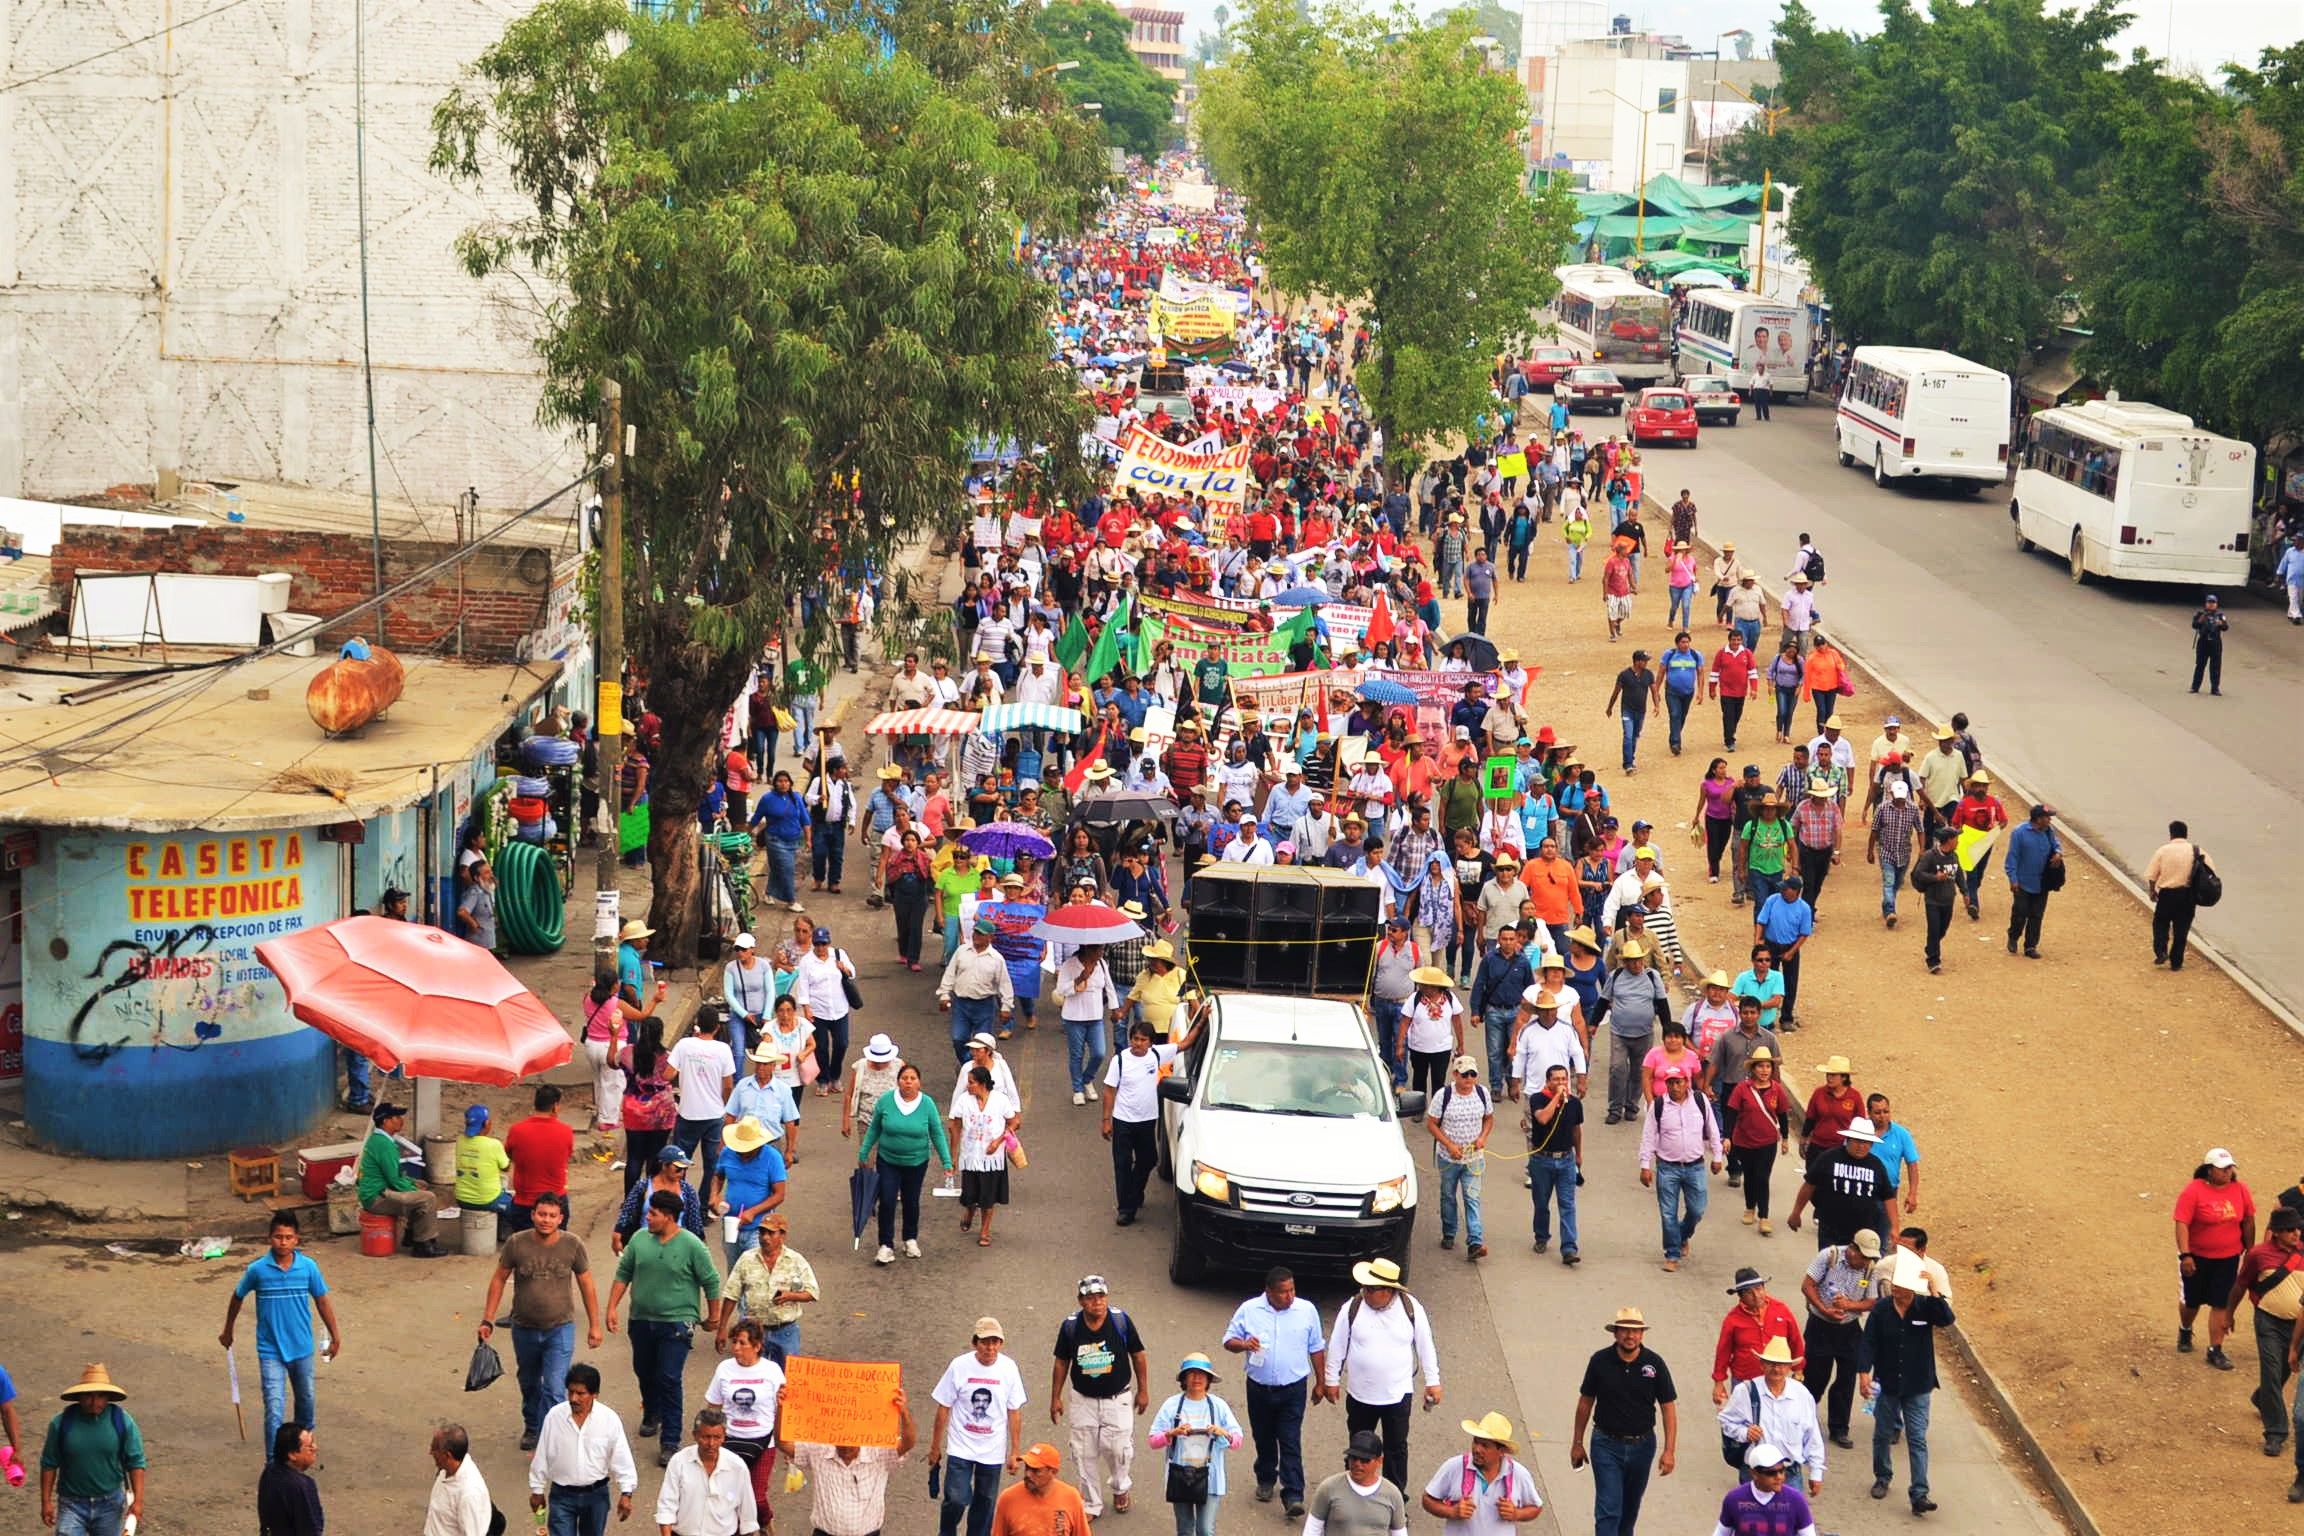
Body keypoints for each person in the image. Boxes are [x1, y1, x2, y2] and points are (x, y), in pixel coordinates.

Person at [478, 1191, 601, 1451]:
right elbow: (499, 1279)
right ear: (533, 1215)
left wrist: (595, 1325)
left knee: (555, 1387)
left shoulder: (572, 1245)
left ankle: (550, 1436)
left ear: (560, 1219)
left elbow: (587, 1284)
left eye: (552, 1216)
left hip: (560, 1328)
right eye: (542, 1214)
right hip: (524, 1328)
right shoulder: (516, 1243)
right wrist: (487, 1319)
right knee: (529, 1382)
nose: (546, 1220)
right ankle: (532, 1426)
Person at [606, 1189, 721, 1467]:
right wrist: (611, 1307)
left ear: (669, 1217)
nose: (648, 1217)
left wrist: (714, 1317)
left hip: (677, 1323)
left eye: (653, 1214)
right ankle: (652, 1411)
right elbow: (623, 1273)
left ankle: (670, 1440)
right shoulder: (639, 1239)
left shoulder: (692, 1245)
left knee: (669, 1378)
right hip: (641, 1319)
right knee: (644, 1371)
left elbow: (711, 1280)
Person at [221, 1213, 342, 1456]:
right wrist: (228, 1330)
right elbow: (237, 1297)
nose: (283, 1242)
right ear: (269, 1238)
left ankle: (303, 1454)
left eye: (288, 1237)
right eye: (278, 1236)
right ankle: (273, 1462)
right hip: (270, 1351)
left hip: (302, 1348)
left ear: (297, 1239)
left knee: (306, 1404)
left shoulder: (308, 1267)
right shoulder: (257, 1270)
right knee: (274, 1409)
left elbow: (322, 1301)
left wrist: (335, 1336)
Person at [1322, 1257, 1441, 1495]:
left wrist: (1433, 1381)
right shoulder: (1353, 1307)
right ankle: (1354, 1493)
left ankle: (1394, 1498)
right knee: (1358, 1448)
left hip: (1397, 1395)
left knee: (1396, 1449)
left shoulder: (1411, 1308)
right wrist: (1331, 1380)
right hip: (1360, 1394)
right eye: (1364, 1287)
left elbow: (1425, 1345)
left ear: (1388, 1291)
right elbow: (1337, 1344)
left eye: (1371, 1289)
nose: (1365, 1292)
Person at [1223, 1266, 1327, 1519]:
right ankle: (1266, 1477)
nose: (1289, 1296)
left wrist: (1321, 1382)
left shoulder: (1306, 1310)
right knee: (1264, 1436)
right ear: (1268, 1291)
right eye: (1283, 1292)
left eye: (1292, 1290)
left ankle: (1293, 1494)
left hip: (1293, 1388)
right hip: (1259, 1388)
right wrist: (1244, 1344)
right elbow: (1228, 1341)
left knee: (1290, 1439)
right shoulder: (1249, 1310)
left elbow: (1316, 1347)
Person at [1860, 1252, 1954, 1514]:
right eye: (1895, 1285)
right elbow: (1869, 1342)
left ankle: (1920, 1492)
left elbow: (1947, 1319)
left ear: (1913, 1288)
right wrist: (1863, 1373)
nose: (1897, 1290)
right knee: (1882, 1434)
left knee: (1917, 1438)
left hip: (1918, 1385)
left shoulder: (1926, 1306)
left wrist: (1934, 1290)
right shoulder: (1882, 1309)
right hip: (1887, 1383)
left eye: (1902, 1287)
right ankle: (1882, 1476)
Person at [1050, 1274, 1150, 1520]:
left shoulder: (1120, 1321)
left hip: (1118, 1399)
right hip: (1083, 1400)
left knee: (1119, 1450)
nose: (1097, 1302)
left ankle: (1120, 1487)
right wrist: (1055, 1397)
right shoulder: (1071, 1327)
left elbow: (1138, 1355)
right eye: (1090, 1298)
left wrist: (1143, 1390)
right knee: (1083, 1453)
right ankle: (1091, 1503)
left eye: (1101, 1296)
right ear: (1080, 1301)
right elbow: (1062, 1362)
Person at [1571, 1309, 1677, 1536]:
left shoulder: (1654, 1364)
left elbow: (1668, 1407)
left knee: (1629, 1511)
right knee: (1608, 1509)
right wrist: (1577, 1443)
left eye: (1635, 1331)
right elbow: (1585, 1403)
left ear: (1642, 1334)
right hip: (1605, 1445)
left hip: (1643, 1447)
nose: (1630, 1336)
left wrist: (1669, 1450)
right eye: (1625, 1330)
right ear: (1615, 1333)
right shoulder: (1599, 1361)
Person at [931, 1317, 1030, 1536]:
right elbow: (944, 1407)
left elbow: (1014, 1411)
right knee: (956, 1499)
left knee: (985, 1504)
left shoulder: (1008, 1368)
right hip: (961, 1446)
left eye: (995, 1342)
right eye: (985, 1342)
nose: (990, 1348)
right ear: (975, 1343)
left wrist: (1015, 1451)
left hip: (992, 1450)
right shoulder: (959, 1366)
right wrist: (935, 1448)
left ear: (1001, 1344)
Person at [781, 1385, 916, 1536]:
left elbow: (908, 1443)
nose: (846, 1449)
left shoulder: (878, 1453)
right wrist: (782, 1408)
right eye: (841, 1445)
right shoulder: (819, 1450)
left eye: (851, 1446)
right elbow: (784, 1444)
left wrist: (903, 1412)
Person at [1105, 1011, 1199, 1226]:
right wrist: (1106, 1120)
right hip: (1123, 1121)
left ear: (1151, 1042)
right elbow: (1109, 1091)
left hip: (1147, 1121)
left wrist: (1202, 1020)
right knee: (1122, 1164)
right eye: (1135, 1039)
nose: (1138, 1043)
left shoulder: (1157, 1054)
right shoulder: (1120, 1061)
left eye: (1143, 1040)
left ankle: (1135, 1191)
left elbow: (1185, 1043)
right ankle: (1126, 1209)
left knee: (1148, 1160)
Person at [526, 1362, 638, 1536]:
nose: (573, 1398)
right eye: (570, 1392)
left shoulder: (609, 1420)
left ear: (595, 1395)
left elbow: (621, 1458)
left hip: (596, 1497)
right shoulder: (554, 1417)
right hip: (562, 1496)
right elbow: (543, 1455)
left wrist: (626, 1493)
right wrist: (537, 1490)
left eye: (580, 1393)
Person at [859, 1062, 955, 1265]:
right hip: (888, 1160)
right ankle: (886, 1245)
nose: (908, 1082)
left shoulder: (927, 1104)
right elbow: (874, 1128)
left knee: (911, 1200)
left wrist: (947, 1161)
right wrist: (864, 1152)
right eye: (904, 1078)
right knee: (887, 1200)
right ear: (898, 1081)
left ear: (919, 1083)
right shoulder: (886, 1101)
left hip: (916, 1162)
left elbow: (937, 1133)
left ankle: (910, 1239)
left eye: (913, 1079)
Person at [38, 1365, 146, 1536]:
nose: (95, 1402)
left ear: (108, 1397)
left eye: (101, 1396)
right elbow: (49, 1463)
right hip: (71, 1504)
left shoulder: (122, 1421)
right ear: (79, 1397)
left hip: (110, 1504)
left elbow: (136, 1462)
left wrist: (138, 1501)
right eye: (89, 1395)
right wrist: (46, 1502)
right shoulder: (61, 1423)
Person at [2176, 1147, 2257, 1370]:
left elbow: (2248, 1220)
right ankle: (2185, 1328)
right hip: (2197, 1257)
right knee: (2192, 1301)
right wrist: (2185, 1255)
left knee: (2221, 1301)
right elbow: (2182, 1224)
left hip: (2228, 1257)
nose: (2228, 1172)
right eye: (2223, 1168)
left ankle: (2215, 1349)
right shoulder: (2193, 1191)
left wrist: (2250, 1250)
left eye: (2230, 1167)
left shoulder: (2240, 1190)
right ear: (2209, 1170)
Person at [1799, 1230, 1881, 1450]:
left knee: (1846, 1380)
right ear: (1852, 1249)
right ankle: (1802, 1423)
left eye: (1870, 1257)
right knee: (1815, 1378)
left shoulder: (1871, 1269)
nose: (1866, 1261)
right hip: (1820, 1326)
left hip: (1849, 1330)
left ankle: (1839, 1428)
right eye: (1863, 1256)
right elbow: (1807, 1285)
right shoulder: (1829, 1256)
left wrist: (1849, 1306)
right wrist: (1824, 1309)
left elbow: (1872, 1302)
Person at [2232, 1210, 2304, 1460]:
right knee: (2272, 1371)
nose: (2296, 1233)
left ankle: (2261, 1397)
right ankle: (2276, 1432)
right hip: (2268, 1321)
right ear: (2276, 1232)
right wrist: (2228, 1314)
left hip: (2298, 1325)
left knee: (2284, 1370)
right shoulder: (2258, 1255)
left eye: (2298, 1229)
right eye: (2290, 1229)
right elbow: (2241, 1284)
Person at [1149, 1353, 1245, 1536]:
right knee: (1185, 1530)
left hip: (1211, 1477)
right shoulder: (1171, 1405)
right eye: (1191, 1373)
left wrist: (1223, 1433)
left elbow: (1237, 1441)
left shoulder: (1219, 1406)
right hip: (1180, 1476)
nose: (1197, 1378)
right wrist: (1172, 1433)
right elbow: (1153, 1440)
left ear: (1208, 1379)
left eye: (1201, 1374)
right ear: (1184, 1378)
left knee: (1205, 1530)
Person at [1716, 1338, 1825, 1498]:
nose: (1776, 1369)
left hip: (1790, 1473)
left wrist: (1816, 1472)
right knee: (1753, 1514)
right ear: (1762, 1365)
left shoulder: (1801, 1395)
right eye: (1771, 1364)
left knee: (1791, 1514)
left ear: (1789, 1367)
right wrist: (1744, 1433)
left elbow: (1812, 1434)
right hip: (1755, 1473)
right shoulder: (1745, 1391)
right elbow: (1726, 1421)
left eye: (1781, 1365)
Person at [1638, 1069, 1723, 1272]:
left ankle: (1682, 1235)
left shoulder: (1700, 1101)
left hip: (1695, 1166)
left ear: (1687, 1082)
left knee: (1697, 1210)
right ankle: (1672, 1253)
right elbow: (1648, 1136)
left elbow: (1712, 1128)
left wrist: (1717, 1156)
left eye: (1679, 1082)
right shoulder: (1659, 1106)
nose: (1675, 1087)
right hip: (1668, 1168)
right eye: (1671, 1083)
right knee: (1668, 1213)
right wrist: (1645, 1165)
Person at [705, 1318, 785, 1520]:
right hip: (730, 1442)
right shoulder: (724, 1368)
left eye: (742, 1343)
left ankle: (765, 1524)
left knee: (757, 1499)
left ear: (757, 1346)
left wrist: (787, 1443)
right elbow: (713, 1406)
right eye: (734, 1342)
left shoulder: (772, 1371)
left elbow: (784, 1407)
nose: (736, 1348)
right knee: (730, 1498)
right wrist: (708, 1439)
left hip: (763, 1443)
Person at [716, 1212, 816, 1362]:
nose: (765, 1237)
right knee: (752, 1373)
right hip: (754, 1332)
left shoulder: (795, 1260)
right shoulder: (747, 1259)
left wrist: (791, 1296)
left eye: (770, 1233)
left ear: (782, 1235)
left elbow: (813, 1292)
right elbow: (731, 1294)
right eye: (762, 1232)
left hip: (785, 1332)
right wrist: (722, 1328)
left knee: (785, 1374)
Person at [1419, 1411, 1542, 1532]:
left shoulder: (1519, 1474)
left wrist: (1516, 1514)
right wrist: (1452, 1512)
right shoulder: (1454, 1466)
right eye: (1476, 1442)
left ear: (1501, 1451)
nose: (1477, 1449)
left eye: (1485, 1446)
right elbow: (1427, 1500)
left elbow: (1536, 1508)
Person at [1786, 1116, 1890, 1251]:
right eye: (1857, 1141)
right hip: (1831, 1231)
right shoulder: (1829, 1158)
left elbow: (1888, 1196)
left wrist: (1894, 1228)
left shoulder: (1876, 1165)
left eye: (1866, 1142)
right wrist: (1796, 1213)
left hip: (1862, 1235)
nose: (1861, 1146)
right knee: (1830, 1263)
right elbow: (1809, 1185)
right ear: (1848, 1139)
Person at [356, 1101, 444, 1257]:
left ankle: (411, 1235)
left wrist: (413, 1183)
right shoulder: (384, 1145)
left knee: (420, 1188)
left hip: (377, 1192)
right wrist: (413, 1189)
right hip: (377, 1197)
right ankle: (422, 1245)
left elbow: (395, 1175)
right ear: (385, 1121)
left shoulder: (379, 1140)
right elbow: (394, 1180)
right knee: (427, 1198)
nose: (401, 1120)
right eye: (396, 1117)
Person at [655, 1408, 762, 1536]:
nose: (711, 1443)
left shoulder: (737, 1467)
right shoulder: (679, 1461)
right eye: (706, 1437)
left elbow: (748, 1517)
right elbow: (666, 1507)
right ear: (695, 1435)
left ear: (724, 1437)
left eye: (717, 1437)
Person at [668, 1009, 737, 1195]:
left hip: (688, 1114)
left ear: (697, 1024)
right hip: (714, 1115)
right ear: (717, 1027)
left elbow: (667, 1074)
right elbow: (728, 1085)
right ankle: (704, 1205)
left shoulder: (684, 1045)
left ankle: (680, 1201)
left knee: (679, 1163)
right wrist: (724, 1104)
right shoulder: (723, 1050)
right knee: (712, 1165)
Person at [1723, 1049, 1792, 1233]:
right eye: (1760, 1066)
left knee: (1762, 1177)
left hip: (1768, 1142)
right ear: (1753, 1068)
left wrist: (1785, 1138)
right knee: (1750, 1176)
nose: (1764, 1070)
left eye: (1768, 1066)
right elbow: (1731, 1113)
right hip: (1744, 1141)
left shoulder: (1777, 1089)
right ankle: (1749, 1207)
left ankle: (1764, 1216)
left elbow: (1782, 1115)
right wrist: (1727, 1136)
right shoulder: (1742, 1089)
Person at [505, 1083, 576, 1234]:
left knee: (524, 1246)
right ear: (555, 1107)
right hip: (556, 1203)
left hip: (524, 1203)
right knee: (556, 1245)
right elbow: (566, 1156)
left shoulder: (516, 1130)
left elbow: (510, 1155)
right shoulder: (566, 1131)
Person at [1713, 1444, 1818, 1536]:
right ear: (1754, 1474)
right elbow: (1721, 1532)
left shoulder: (1796, 1500)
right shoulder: (1734, 1499)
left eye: (1782, 1471)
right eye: (1771, 1473)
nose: (1779, 1477)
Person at [2001, 802, 2062, 958]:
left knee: (2036, 915)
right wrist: (2013, 879)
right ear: (2038, 819)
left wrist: (2058, 853)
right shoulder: (2019, 833)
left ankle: (2030, 946)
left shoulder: (2049, 831)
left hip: (2042, 882)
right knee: (2020, 913)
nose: (2050, 820)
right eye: (2047, 817)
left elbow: (2056, 844)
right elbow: (2012, 857)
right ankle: (2013, 936)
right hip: (2023, 882)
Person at [990, 1442, 1090, 1536]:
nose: (1028, 1474)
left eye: (1035, 1470)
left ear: (1053, 1472)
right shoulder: (1008, 1499)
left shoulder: (1071, 1497)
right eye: (1027, 1467)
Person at [2145, 820, 2206, 971]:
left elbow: (2152, 875)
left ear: (2171, 834)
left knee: (2160, 923)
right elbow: (2209, 871)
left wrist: (2152, 891)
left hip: (2167, 895)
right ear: (2186, 834)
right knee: (2182, 929)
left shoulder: (2163, 851)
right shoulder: (2197, 851)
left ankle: (2161, 951)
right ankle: (2176, 962)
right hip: (2188, 896)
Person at [423, 1423, 491, 1536]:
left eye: (434, 1450)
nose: (430, 1452)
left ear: (447, 1456)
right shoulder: (446, 1469)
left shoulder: (469, 1494)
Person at [1911, 823, 1962, 973]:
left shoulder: (1954, 856)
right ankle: (1933, 960)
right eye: (1956, 838)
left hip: (1948, 900)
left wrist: (1965, 892)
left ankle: (1931, 946)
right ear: (1949, 840)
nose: (1958, 841)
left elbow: (1959, 875)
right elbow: (1919, 873)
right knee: (1933, 930)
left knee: (1942, 930)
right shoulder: (1930, 856)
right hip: (1932, 900)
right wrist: (1935, 878)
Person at [257, 1423, 323, 1536]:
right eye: (310, 1446)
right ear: (292, 1454)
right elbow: (311, 1529)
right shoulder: (302, 1486)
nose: (315, 1448)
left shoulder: (269, 1472)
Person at [455, 1102, 514, 1216]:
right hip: (488, 1200)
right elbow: (506, 1167)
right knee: (515, 1208)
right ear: (487, 1123)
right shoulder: (493, 1144)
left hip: (462, 1200)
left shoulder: (460, 1140)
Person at [1604, 650, 1657, 774]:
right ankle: (1628, 763)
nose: (1646, 663)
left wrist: (1657, 705)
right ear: (1637, 662)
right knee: (1628, 735)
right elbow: (1616, 692)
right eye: (1644, 661)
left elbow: (1654, 690)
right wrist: (1610, 707)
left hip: (1641, 711)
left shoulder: (1648, 674)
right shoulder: (1624, 675)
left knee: (1634, 735)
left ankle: (1630, 759)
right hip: (1627, 710)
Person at [2191, 592, 2229, 694]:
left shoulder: (2220, 615)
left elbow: (2226, 628)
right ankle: (2195, 687)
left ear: (2216, 604)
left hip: (2215, 643)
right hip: (2203, 642)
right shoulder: (2200, 614)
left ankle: (2215, 688)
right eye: (2209, 602)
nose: (2211, 605)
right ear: (2206, 603)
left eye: (2213, 603)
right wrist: (2201, 620)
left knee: (2215, 667)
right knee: (2200, 665)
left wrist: (2221, 624)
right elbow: (2194, 625)